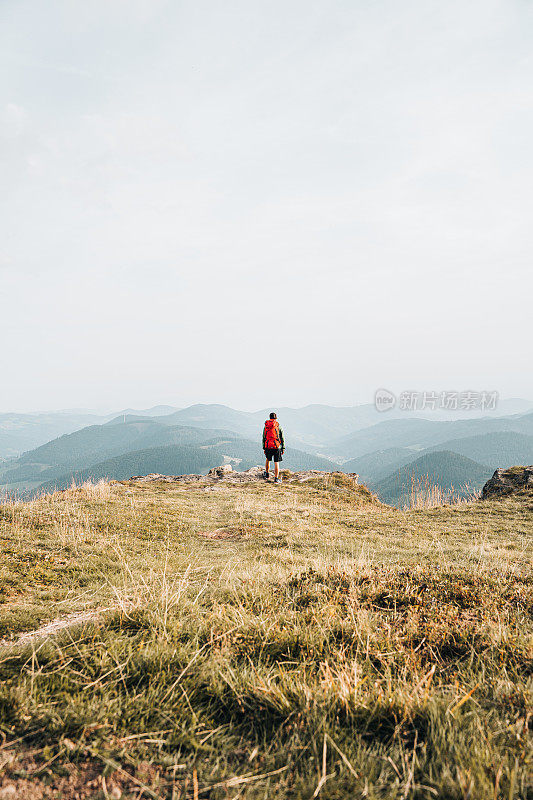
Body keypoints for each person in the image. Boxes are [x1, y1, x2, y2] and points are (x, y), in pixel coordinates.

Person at [262, 412, 285, 483]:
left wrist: (264, 447)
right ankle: (276, 478)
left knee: (268, 459)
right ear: (276, 418)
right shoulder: (278, 426)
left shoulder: (266, 426)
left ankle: (266, 473)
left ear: (270, 417)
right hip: (277, 446)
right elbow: (282, 438)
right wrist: (283, 448)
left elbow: (264, 437)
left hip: (268, 446)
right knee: (276, 462)